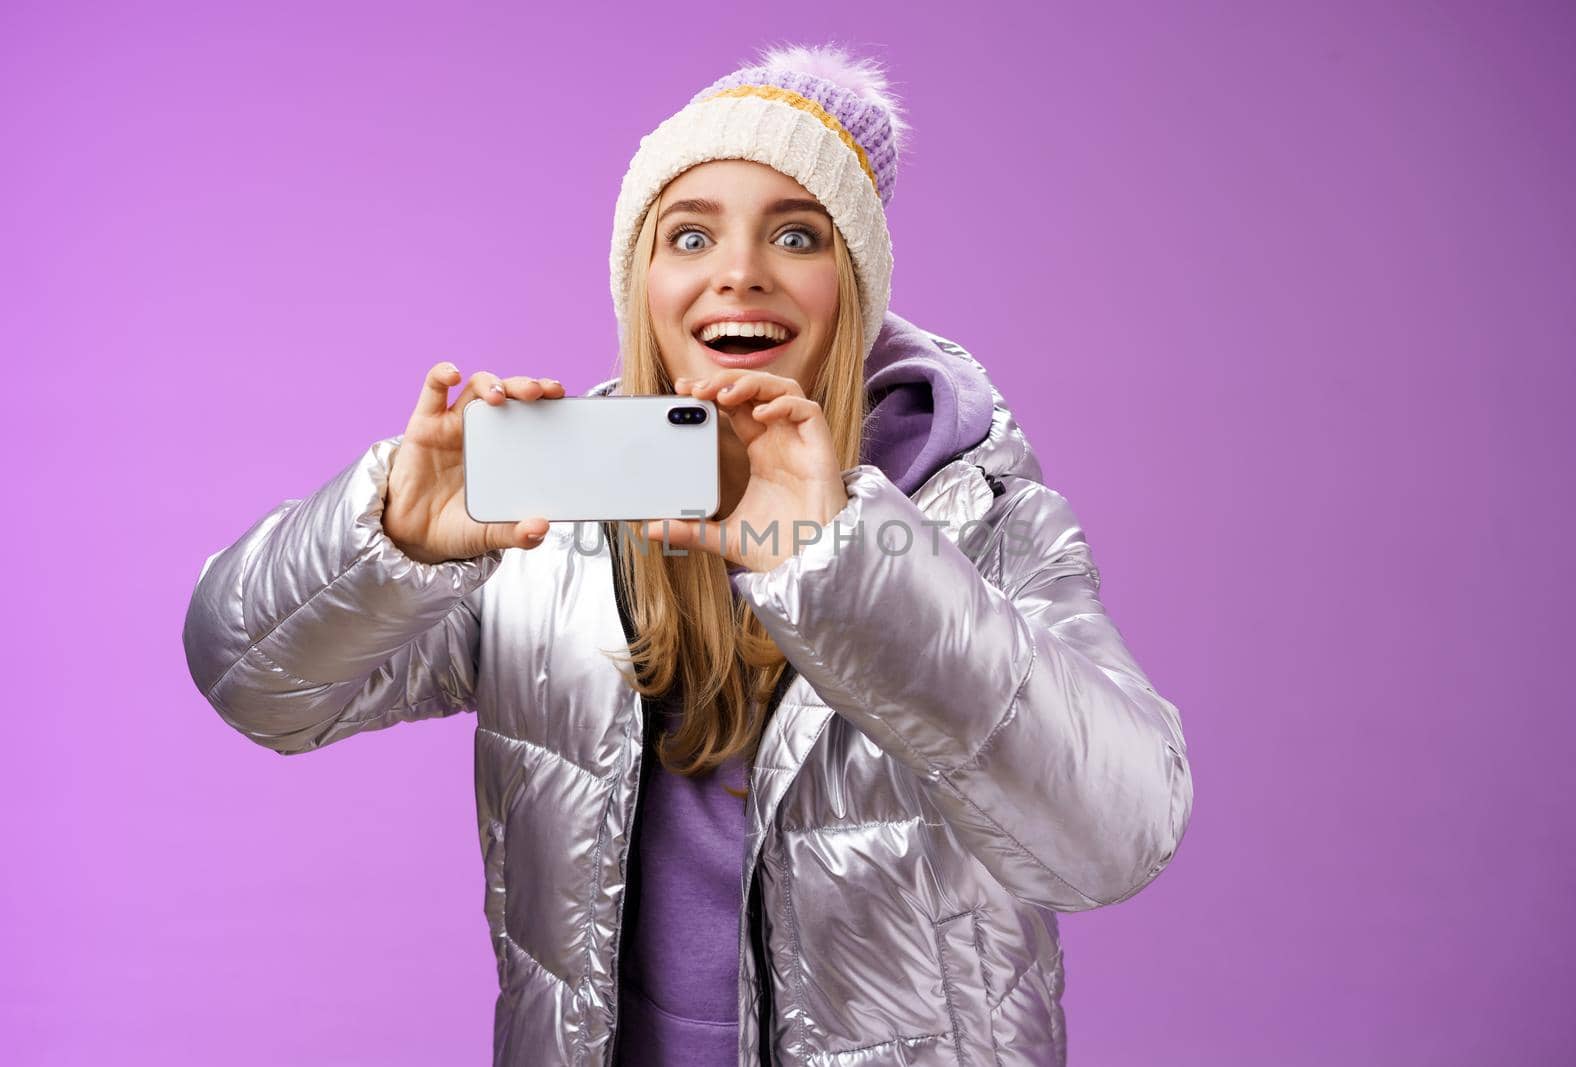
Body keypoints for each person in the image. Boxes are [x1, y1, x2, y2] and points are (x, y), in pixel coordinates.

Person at [182, 43, 1194, 1067]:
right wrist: (389, 540)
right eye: (690, 233)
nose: (739, 270)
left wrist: (839, 560)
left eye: (795, 234)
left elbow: (1115, 837)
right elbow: (253, 684)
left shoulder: (976, 510)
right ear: (642, 284)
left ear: (852, 289)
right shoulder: (546, 522)